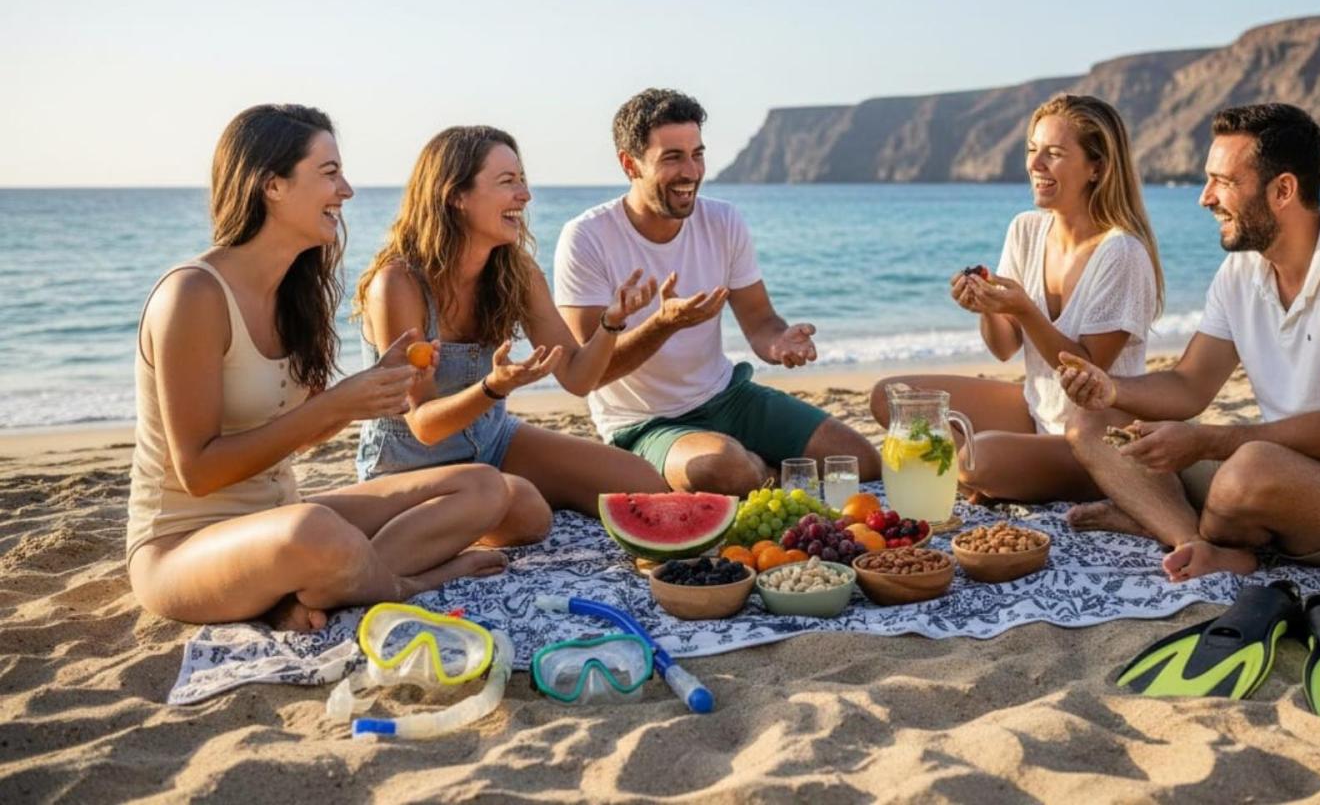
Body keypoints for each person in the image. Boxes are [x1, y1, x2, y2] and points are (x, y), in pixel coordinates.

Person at [128, 105, 551, 632]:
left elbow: (302, 432)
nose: (346, 190)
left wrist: (372, 392)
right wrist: (340, 402)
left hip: (277, 517)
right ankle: (406, 583)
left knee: (484, 486)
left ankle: (322, 584)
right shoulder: (193, 294)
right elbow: (198, 473)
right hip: (182, 547)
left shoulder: (292, 295)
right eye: (329, 173)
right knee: (312, 531)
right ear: (272, 185)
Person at [1059, 103, 1320, 581]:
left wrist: (1206, 441)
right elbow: (1188, 384)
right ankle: (1193, 540)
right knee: (1096, 424)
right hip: (1284, 471)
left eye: (1224, 182)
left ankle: (1171, 522)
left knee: (1249, 468)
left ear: (1283, 189)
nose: (1205, 198)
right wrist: (1110, 391)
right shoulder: (1242, 270)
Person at [552, 88, 880, 496]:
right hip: (645, 422)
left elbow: (760, 321)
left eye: (698, 154)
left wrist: (779, 342)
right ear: (629, 163)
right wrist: (663, 325)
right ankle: (758, 470)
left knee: (859, 462)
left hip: (728, 397)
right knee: (724, 468)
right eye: (672, 157)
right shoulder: (586, 237)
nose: (691, 171)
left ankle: (758, 470)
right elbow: (590, 372)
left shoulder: (723, 220)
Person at [353, 126, 668, 511]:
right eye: (508, 182)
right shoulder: (398, 284)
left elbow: (577, 377)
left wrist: (610, 324)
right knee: (525, 511)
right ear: (455, 196)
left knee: (646, 486)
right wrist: (493, 388)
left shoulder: (516, 272)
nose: (525, 194)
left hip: (493, 442)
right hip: (408, 466)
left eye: (522, 180)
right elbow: (424, 426)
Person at [869, 94, 1163, 502]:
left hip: (1099, 437)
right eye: (1032, 150)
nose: (1035, 165)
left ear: (1097, 167)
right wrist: (986, 308)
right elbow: (1004, 347)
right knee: (892, 398)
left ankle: (993, 475)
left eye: (1054, 154)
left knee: (979, 459)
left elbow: (1089, 372)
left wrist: (1025, 309)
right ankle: (998, 475)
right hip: (1035, 412)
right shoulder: (1025, 230)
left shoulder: (1122, 253)